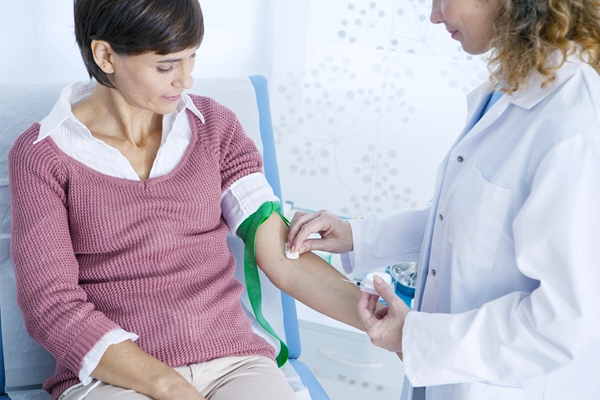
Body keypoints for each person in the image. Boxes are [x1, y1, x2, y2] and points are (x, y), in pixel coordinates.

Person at [8, 1, 365, 399]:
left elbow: (280, 256)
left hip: (234, 362)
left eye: (191, 58)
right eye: (166, 66)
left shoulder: (215, 128)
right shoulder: (42, 156)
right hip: (114, 375)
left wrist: (379, 320)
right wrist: (170, 386)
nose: (186, 80)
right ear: (105, 55)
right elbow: (51, 307)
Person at [287, 0, 600, 398]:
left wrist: (420, 338)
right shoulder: (510, 88)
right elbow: (464, 222)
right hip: (442, 378)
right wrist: (355, 235)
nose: (435, 16)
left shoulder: (575, 126)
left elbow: (565, 324)